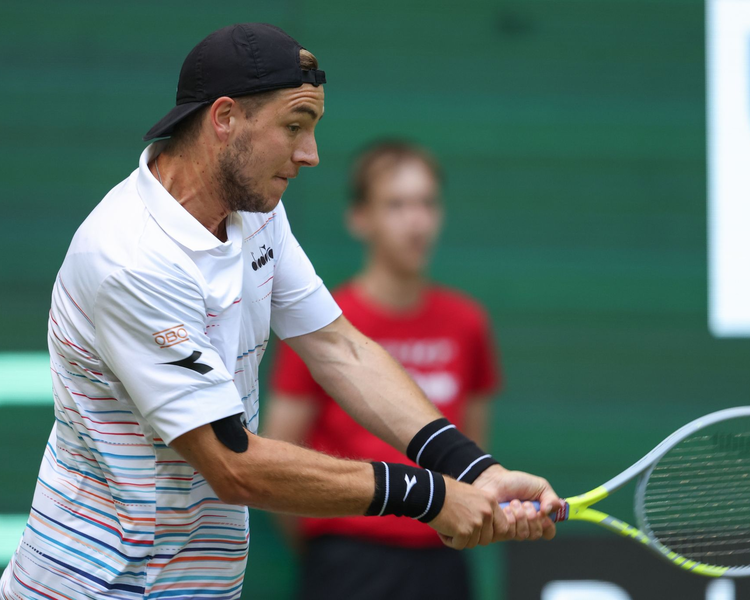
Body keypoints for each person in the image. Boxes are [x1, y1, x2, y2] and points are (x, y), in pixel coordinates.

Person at [0, 23, 560, 600]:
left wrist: (473, 470)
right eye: (294, 126)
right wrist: (430, 496)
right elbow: (233, 464)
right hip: (94, 586)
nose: (310, 154)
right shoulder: (131, 260)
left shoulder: (255, 210)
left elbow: (339, 349)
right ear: (225, 118)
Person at [266, 140, 502, 600]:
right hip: (348, 560)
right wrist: (331, 546)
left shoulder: (466, 321)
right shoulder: (322, 325)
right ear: (360, 217)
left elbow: (474, 445)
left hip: (442, 558)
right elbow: (279, 451)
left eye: (427, 203)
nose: (416, 222)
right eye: (396, 205)